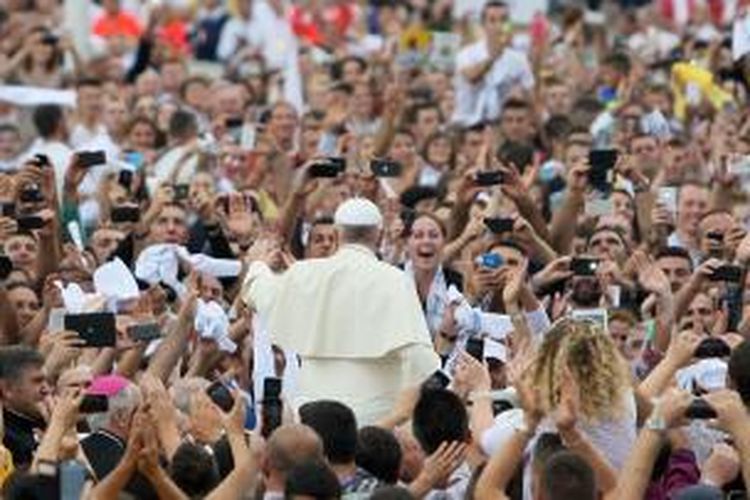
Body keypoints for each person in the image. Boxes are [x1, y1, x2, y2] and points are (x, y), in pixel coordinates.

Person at [243, 197, 439, 424]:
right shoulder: (395, 280)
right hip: (376, 424)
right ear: (379, 234)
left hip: (315, 419)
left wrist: (257, 265)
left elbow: (260, 294)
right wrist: (401, 414)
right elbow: (420, 360)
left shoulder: (305, 274)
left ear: (337, 234)